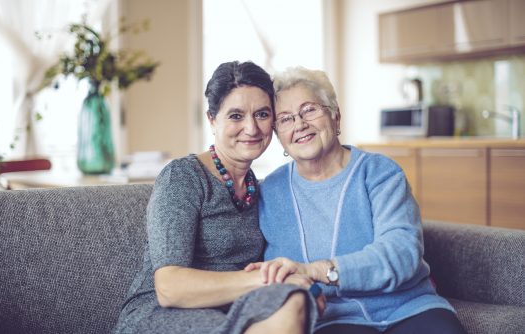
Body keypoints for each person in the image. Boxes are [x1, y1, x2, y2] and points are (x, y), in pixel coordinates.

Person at [247, 66, 467, 334]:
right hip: (333, 319)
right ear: (278, 135)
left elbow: (402, 253)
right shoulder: (270, 192)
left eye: (309, 110)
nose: (300, 124)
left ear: (335, 116)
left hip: (407, 307)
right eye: (285, 119)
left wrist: (319, 270)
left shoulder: (380, 173)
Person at [113, 61, 321, 334]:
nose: (251, 128)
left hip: (231, 310)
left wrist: (304, 280)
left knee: (295, 300)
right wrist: (268, 281)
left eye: (261, 114)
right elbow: (169, 287)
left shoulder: (260, 190)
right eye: (236, 116)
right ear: (212, 119)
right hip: (161, 314)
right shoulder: (184, 177)